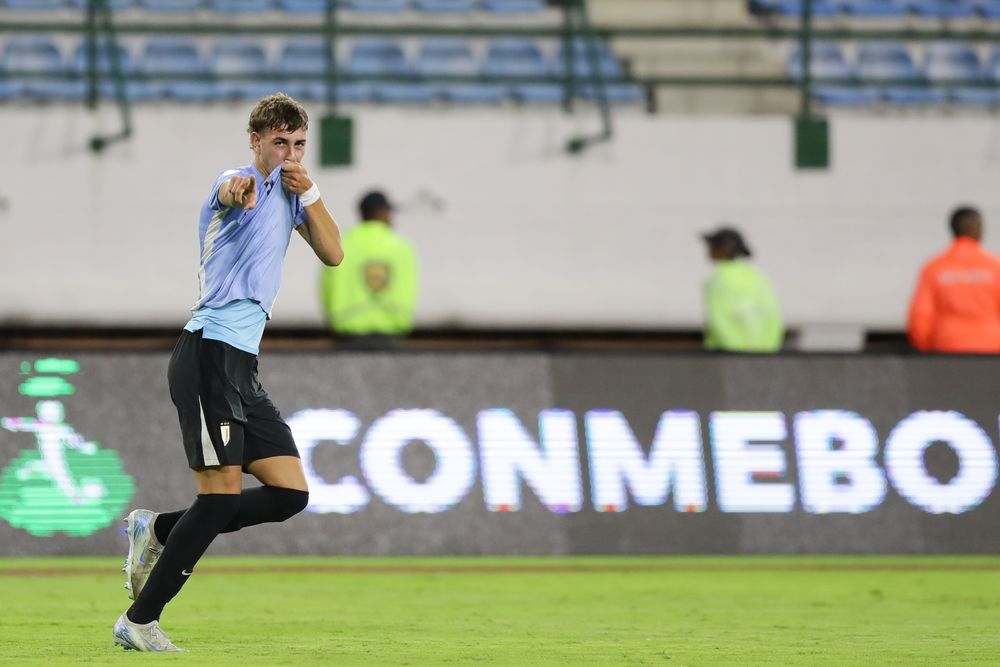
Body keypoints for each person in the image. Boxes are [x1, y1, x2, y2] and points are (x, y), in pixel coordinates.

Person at [112, 93, 343, 652]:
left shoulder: (291, 196)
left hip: (241, 366)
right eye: (278, 142)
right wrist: (243, 186)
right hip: (208, 354)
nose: (288, 153)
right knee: (217, 498)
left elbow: (334, 253)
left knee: (289, 494)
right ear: (255, 140)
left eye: (298, 144)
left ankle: (159, 530)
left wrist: (307, 191)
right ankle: (138, 622)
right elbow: (230, 191)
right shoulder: (238, 180)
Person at [319, 190, 418, 346]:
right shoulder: (402, 248)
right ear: (383, 213)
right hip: (392, 336)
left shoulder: (341, 245)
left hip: (349, 336)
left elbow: (326, 289)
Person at [907, 206, 1000, 353]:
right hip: (991, 347)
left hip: (947, 346)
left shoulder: (934, 267)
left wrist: (927, 346)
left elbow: (921, 316)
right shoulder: (995, 267)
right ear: (976, 227)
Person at [701, 226, 784, 352]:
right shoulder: (758, 277)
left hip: (726, 356)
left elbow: (719, 320)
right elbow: (773, 317)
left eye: (713, 246)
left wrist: (736, 350)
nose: (709, 250)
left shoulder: (717, 280)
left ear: (725, 249)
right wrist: (767, 349)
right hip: (764, 354)